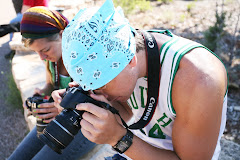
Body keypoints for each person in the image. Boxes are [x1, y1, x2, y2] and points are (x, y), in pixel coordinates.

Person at [52, 0, 228, 159]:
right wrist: (83, 103)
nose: (97, 92)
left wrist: (119, 138)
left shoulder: (199, 79)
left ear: (130, 60)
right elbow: (128, 112)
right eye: (90, 85)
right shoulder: (123, 52)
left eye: (101, 84)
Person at [8, 6, 96, 160]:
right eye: (37, 52)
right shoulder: (53, 59)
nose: (42, 57)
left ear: (62, 35)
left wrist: (61, 109)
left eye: (45, 50)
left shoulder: (86, 58)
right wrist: (40, 95)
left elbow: (101, 102)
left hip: (87, 126)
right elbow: (50, 85)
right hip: (60, 121)